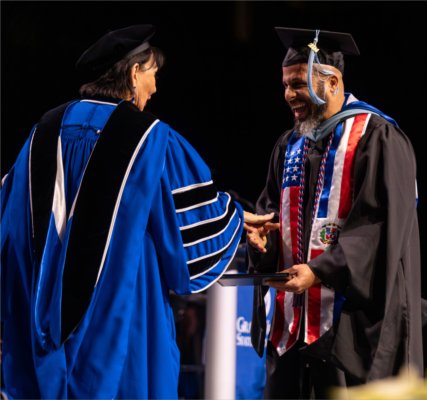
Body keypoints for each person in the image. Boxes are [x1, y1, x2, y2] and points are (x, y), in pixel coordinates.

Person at [0, 24, 270, 398]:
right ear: (133, 72)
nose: (154, 88)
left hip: (39, 322)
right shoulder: (150, 139)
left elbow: (10, 228)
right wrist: (237, 219)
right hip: (126, 314)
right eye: (153, 74)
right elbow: (185, 229)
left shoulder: (42, 133)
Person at [245, 27, 422, 398]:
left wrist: (320, 271)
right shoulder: (290, 143)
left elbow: (379, 225)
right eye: (285, 85)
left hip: (352, 328)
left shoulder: (379, 137)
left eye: (297, 84)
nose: (288, 95)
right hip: (295, 324)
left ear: (333, 81)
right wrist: (263, 240)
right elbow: (272, 210)